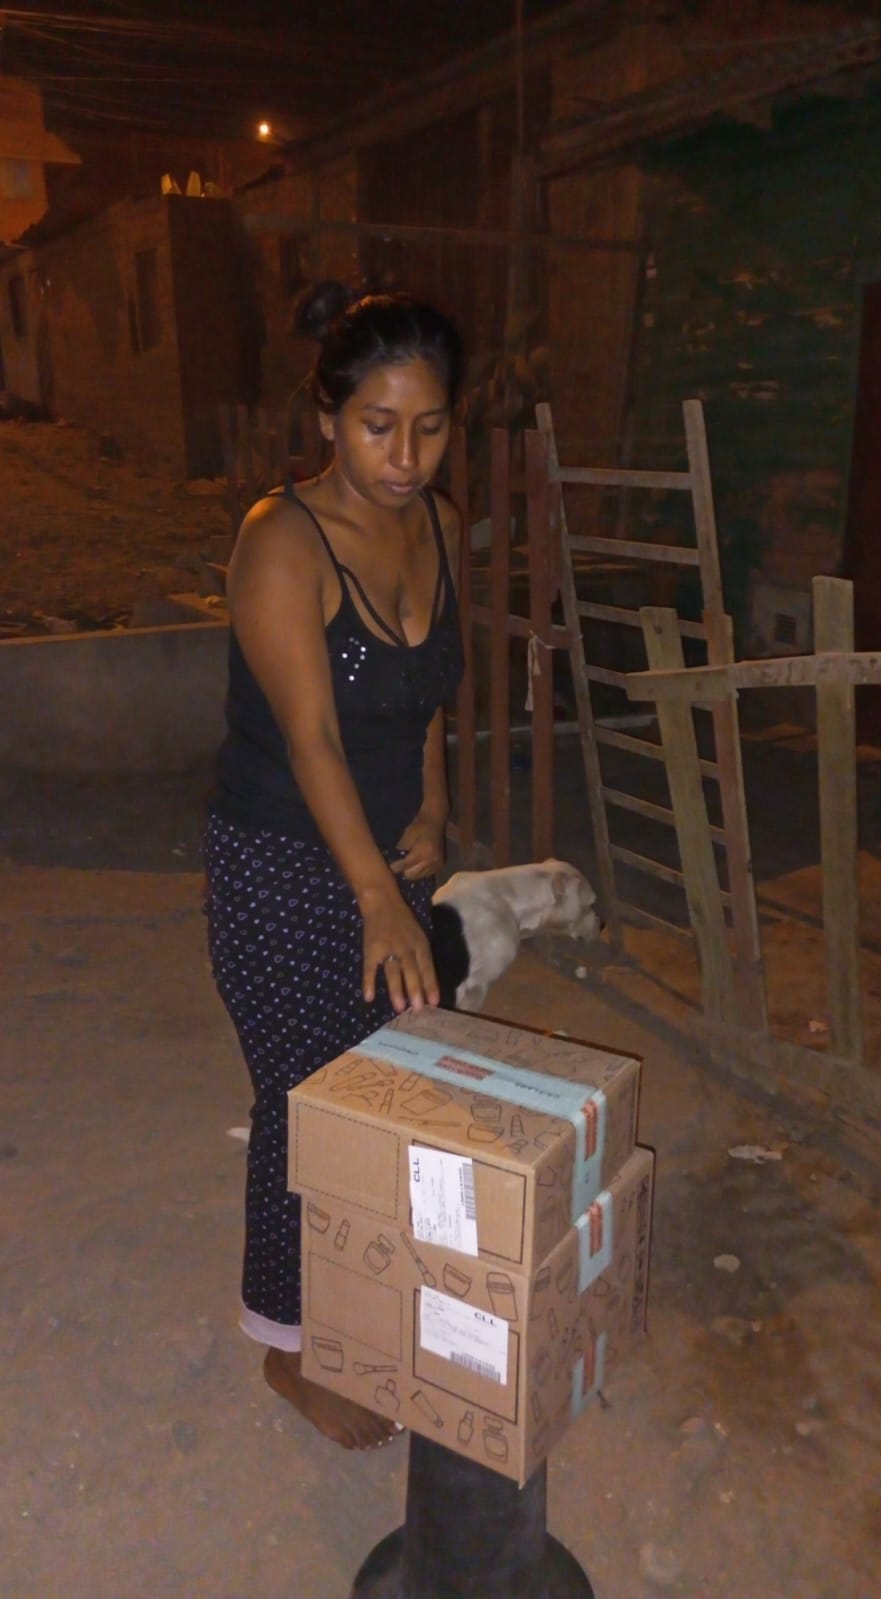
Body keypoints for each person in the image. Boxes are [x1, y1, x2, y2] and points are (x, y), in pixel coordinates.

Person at [204, 284, 465, 1450]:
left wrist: (434, 802)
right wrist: (374, 900)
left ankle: (367, 1297)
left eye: (429, 427)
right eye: (377, 426)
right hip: (280, 865)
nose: (404, 458)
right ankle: (291, 1348)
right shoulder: (280, 543)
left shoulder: (438, 525)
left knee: (389, 1091)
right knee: (306, 1104)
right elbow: (309, 736)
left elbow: (428, 690)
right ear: (327, 418)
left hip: (383, 857)